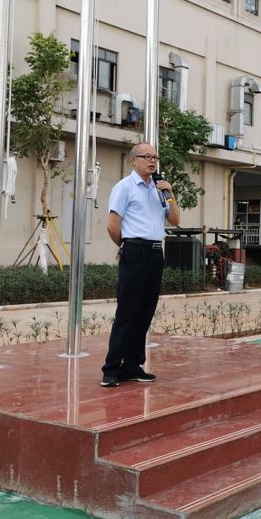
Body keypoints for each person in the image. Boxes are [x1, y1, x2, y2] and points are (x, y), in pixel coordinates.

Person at [101, 142, 180, 387]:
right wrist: (126, 248)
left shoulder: (160, 189)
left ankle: (133, 366)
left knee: (145, 312)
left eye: (155, 157)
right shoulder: (124, 187)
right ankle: (112, 369)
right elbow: (113, 225)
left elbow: (175, 221)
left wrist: (171, 195)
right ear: (133, 160)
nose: (152, 161)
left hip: (156, 254)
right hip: (134, 251)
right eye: (146, 156)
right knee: (127, 312)